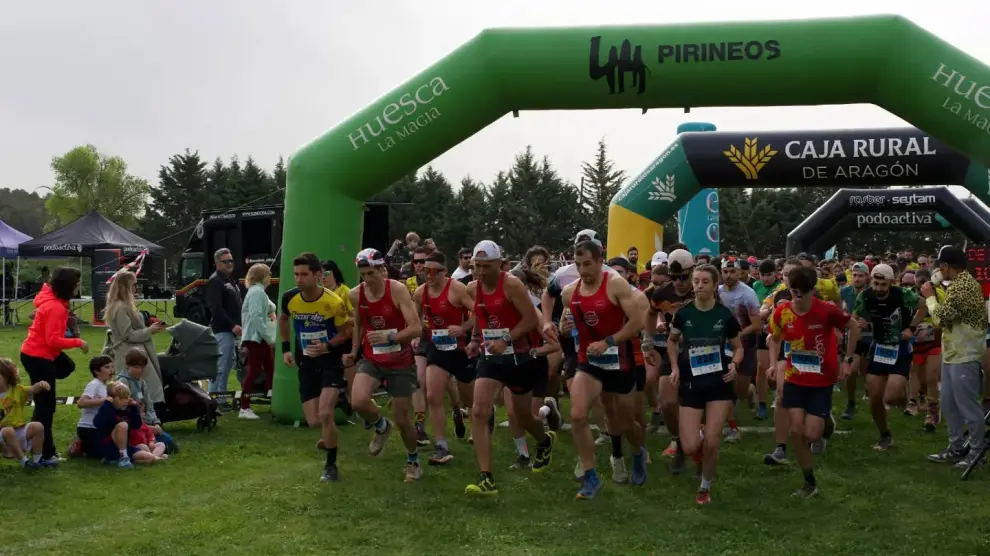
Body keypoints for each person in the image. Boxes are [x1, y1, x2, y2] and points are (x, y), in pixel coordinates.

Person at [463, 240, 557, 496]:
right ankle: (486, 478)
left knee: (523, 416)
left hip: (521, 358)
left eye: (487, 266)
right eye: (477, 266)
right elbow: (480, 315)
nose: (481, 272)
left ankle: (544, 440)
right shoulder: (474, 287)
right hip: (492, 358)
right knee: (479, 411)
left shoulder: (511, 284)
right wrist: (475, 340)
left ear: (499, 264)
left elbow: (530, 319)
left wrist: (505, 339)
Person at [561, 241, 646, 499]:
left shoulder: (615, 284)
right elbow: (567, 324)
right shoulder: (569, 292)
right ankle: (591, 476)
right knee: (577, 415)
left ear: (600, 262)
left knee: (626, 422)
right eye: (578, 265)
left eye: (588, 264)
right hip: (589, 361)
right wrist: (564, 328)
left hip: (619, 360)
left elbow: (637, 322)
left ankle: (638, 452)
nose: (583, 270)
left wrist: (608, 341)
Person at [768, 265, 859, 498]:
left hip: (821, 379)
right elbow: (774, 338)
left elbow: (853, 326)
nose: (798, 296)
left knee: (811, 434)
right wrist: (773, 364)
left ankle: (826, 422)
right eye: (794, 290)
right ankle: (809, 482)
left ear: (812, 290)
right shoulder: (782, 312)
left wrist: (848, 359)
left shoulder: (826, 310)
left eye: (803, 291)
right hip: (794, 377)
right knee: (796, 431)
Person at [344, 248, 424, 484]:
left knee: (402, 418)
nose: (367, 279)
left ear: (382, 269)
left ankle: (413, 460)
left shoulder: (397, 289)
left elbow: (416, 328)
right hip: (373, 359)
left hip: (400, 360)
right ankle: (381, 425)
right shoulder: (355, 294)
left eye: (371, 273)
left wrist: (390, 337)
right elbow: (359, 324)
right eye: (362, 274)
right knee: (358, 401)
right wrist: (354, 351)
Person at [667, 264, 742, 505]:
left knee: (712, 440)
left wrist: (734, 364)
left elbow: (738, 347)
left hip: (718, 381)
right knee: (690, 447)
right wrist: (675, 367)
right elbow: (672, 341)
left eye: (705, 281)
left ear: (714, 285)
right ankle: (703, 455)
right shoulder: (683, 313)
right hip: (690, 381)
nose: (699, 285)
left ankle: (705, 486)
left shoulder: (725, 315)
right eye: (696, 281)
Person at [280, 253, 352, 482]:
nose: (299, 279)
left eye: (304, 274)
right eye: (296, 274)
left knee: (325, 413)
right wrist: (286, 349)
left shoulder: (333, 301)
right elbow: (283, 319)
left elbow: (346, 332)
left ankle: (331, 466)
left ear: (318, 275)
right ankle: (340, 396)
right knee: (314, 422)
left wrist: (327, 346)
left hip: (330, 361)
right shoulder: (290, 298)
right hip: (306, 362)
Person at [923, 246, 990, 469]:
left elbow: (942, 318)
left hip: (965, 354)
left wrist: (930, 298)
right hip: (953, 352)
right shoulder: (958, 284)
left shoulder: (963, 286)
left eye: (939, 266)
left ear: (945, 266)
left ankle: (977, 454)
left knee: (968, 407)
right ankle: (956, 447)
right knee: (949, 404)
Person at [852, 263, 927, 451]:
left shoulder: (903, 294)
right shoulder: (865, 296)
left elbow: (924, 305)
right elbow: (855, 317)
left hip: (900, 347)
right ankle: (885, 434)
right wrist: (859, 323)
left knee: (890, 398)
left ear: (891, 282)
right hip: (878, 347)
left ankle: (901, 394)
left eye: (883, 284)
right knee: (875, 400)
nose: (878, 288)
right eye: (875, 283)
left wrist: (911, 327)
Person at [19, 266, 89, 464]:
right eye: (76, 283)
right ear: (67, 285)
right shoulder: (55, 307)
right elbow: (52, 340)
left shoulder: (52, 301)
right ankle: (44, 453)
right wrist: (78, 342)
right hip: (38, 356)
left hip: (37, 353)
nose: (79, 286)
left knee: (67, 367)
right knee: (46, 407)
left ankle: (38, 447)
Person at [412, 250, 475, 465]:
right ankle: (441, 447)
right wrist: (416, 335)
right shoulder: (420, 293)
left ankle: (480, 419)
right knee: (433, 396)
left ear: (444, 271)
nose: (428, 275)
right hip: (437, 348)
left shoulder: (457, 289)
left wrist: (463, 327)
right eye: (425, 271)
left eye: (433, 271)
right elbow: (415, 319)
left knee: (470, 399)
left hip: (461, 349)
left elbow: (479, 314)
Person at [643, 247, 696, 474]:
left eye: (684, 277)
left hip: (702, 352)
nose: (679, 283)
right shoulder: (662, 293)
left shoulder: (705, 288)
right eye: (674, 278)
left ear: (692, 271)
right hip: (673, 350)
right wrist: (648, 341)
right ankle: (679, 442)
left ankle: (701, 447)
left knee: (699, 404)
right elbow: (650, 313)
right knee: (666, 402)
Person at [104, 270, 167, 416]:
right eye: (133, 285)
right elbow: (128, 335)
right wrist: (149, 330)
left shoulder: (124, 305)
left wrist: (150, 328)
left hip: (135, 352)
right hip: (130, 354)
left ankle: (149, 416)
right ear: (124, 286)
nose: (136, 288)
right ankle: (149, 416)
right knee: (145, 387)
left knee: (145, 387)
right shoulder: (120, 307)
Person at [718, 258, 761, 442]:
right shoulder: (717, 292)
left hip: (746, 344)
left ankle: (750, 391)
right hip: (724, 346)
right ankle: (731, 425)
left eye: (732, 272)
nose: (728, 275)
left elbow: (757, 325)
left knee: (740, 391)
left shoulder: (748, 294)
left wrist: (735, 336)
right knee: (725, 383)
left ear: (740, 273)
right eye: (725, 272)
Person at [206, 248, 243, 409]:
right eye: (225, 261)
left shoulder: (229, 279)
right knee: (220, 367)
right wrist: (232, 325)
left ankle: (221, 399)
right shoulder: (215, 281)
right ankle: (214, 400)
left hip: (231, 331)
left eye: (231, 261)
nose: (229, 264)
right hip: (222, 330)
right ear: (217, 263)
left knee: (227, 366)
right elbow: (216, 308)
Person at [0, 358, 52, 470]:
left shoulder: (17, 390)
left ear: (7, 376)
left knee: (38, 426)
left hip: (18, 430)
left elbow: (33, 389)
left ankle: (37, 461)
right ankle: (24, 462)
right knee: (7, 430)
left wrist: (41, 384)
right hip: (2, 435)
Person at [240, 263, 277, 420]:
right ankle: (244, 406)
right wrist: (269, 338)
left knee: (270, 368)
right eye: (268, 274)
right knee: (254, 371)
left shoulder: (259, 291)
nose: (270, 277)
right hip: (256, 338)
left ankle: (275, 399)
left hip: (259, 338)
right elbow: (256, 317)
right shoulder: (257, 292)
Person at [93, 381, 158, 468]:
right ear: (112, 399)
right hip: (110, 446)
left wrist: (134, 407)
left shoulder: (128, 410)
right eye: (121, 398)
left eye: (126, 398)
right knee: (123, 425)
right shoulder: (107, 408)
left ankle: (117, 460)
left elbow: (137, 425)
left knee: (150, 458)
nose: (125, 401)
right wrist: (107, 405)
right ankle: (123, 457)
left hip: (127, 447)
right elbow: (97, 423)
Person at [838, 262, 871, 420]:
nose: (856, 279)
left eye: (860, 276)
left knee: (866, 371)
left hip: (871, 336)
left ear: (867, 277)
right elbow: (838, 310)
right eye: (854, 275)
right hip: (852, 336)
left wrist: (869, 324)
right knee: (851, 371)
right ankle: (851, 403)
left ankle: (871, 395)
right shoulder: (844, 291)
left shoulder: (873, 292)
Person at [71, 355, 115, 459]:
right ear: (96, 371)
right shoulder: (94, 384)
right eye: (107, 367)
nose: (111, 370)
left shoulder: (105, 386)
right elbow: (81, 403)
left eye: (112, 367)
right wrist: (102, 400)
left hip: (99, 427)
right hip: (88, 427)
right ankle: (79, 445)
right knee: (101, 455)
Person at [116, 347, 163, 433]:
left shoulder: (141, 382)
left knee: (166, 438)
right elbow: (121, 407)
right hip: (132, 423)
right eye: (136, 367)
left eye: (142, 367)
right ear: (128, 365)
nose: (140, 370)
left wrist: (155, 422)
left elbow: (149, 404)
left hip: (146, 420)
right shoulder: (123, 381)